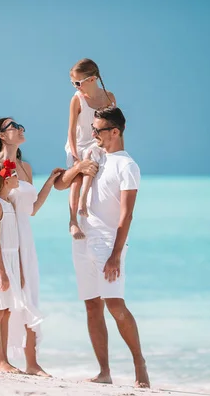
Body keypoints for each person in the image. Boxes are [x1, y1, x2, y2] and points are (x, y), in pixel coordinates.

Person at [54, 106, 150, 388]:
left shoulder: (127, 166)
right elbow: (62, 184)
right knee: (92, 306)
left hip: (108, 243)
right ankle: (104, 372)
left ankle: (139, 364)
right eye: (93, 129)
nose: (93, 133)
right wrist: (78, 167)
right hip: (83, 237)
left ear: (116, 132)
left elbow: (126, 215)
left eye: (98, 130)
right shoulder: (94, 155)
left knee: (115, 305)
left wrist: (115, 255)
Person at [0, 117, 74, 375]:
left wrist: (50, 183)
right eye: (13, 126)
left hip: (23, 241)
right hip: (2, 237)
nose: (20, 128)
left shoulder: (26, 168)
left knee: (28, 295)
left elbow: (33, 209)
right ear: (2, 135)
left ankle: (32, 362)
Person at [0, 157, 42, 373]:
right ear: (5, 181)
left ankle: (3, 358)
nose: (17, 179)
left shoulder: (7, 203)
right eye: (14, 176)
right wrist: (2, 271)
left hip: (10, 259)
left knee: (5, 310)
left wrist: (18, 269)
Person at [65, 58, 116, 240]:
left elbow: (114, 127)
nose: (76, 87)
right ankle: (73, 220)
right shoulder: (77, 100)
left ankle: (87, 204)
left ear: (92, 79)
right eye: (72, 83)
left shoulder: (109, 97)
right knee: (78, 176)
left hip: (99, 144)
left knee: (93, 153)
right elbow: (71, 131)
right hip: (78, 144)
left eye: (78, 83)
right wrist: (75, 157)